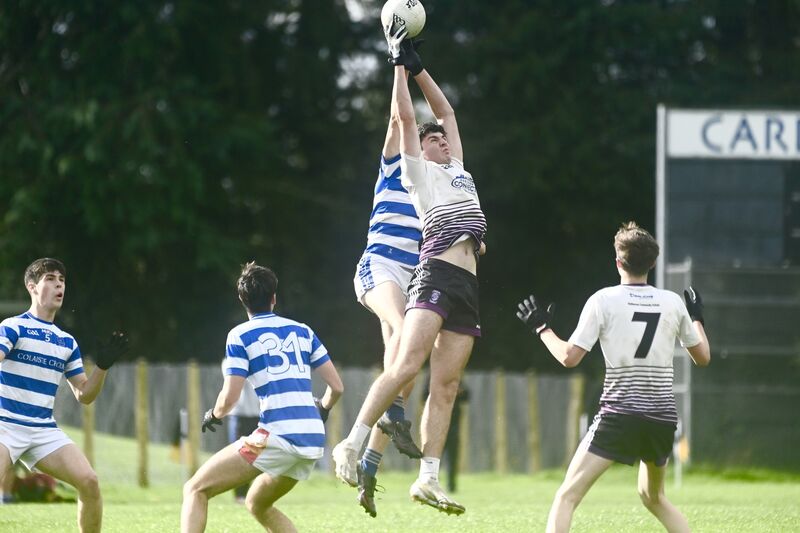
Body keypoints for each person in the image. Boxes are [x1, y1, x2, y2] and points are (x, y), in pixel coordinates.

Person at [333, 23, 487, 516]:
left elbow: (445, 110)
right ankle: (353, 444)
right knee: (403, 358)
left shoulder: (459, 171)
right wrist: (399, 63)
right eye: (432, 139)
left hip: (464, 285)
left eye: (443, 138)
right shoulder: (414, 171)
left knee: (441, 385)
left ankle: (420, 478)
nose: (440, 137)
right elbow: (404, 117)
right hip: (420, 275)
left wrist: (421, 68)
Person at [516, 221, 711, 533]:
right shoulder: (673, 302)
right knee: (654, 497)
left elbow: (569, 357)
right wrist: (697, 317)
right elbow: (703, 357)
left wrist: (542, 328)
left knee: (566, 496)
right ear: (653, 262)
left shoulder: (603, 300)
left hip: (620, 414)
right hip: (661, 417)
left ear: (618, 262)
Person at [181, 262, 344, 533]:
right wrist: (323, 408)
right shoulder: (303, 330)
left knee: (195, 489)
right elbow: (337, 387)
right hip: (312, 440)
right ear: (274, 298)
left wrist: (214, 414)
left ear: (242, 300)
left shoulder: (240, 335)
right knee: (257, 503)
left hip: (276, 436)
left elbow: (229, 398)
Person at [0, 258, 128, 532]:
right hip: (5, 424)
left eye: (62, 280)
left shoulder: (66, 342)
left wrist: (102, 367)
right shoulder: (12, 327)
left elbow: (84, 394)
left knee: (89, 482)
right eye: (50, 279)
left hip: (43, 430)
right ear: (32, 287)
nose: (59, 284)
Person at [351, 100, 426, 517]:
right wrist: (401, 61)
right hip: (378, 266)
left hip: (409, 278)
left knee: (405, 373)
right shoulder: (393, 167)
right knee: (401, 333)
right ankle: (397, 420)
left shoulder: (428, 187)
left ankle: (369, 466)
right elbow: (401, 117)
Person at [226, 378, 260, 502]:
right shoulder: (232, 359)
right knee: (240, 456)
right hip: (239, 416)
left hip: (259, 415)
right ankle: (240, 495)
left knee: (259, 457)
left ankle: (256, 494)